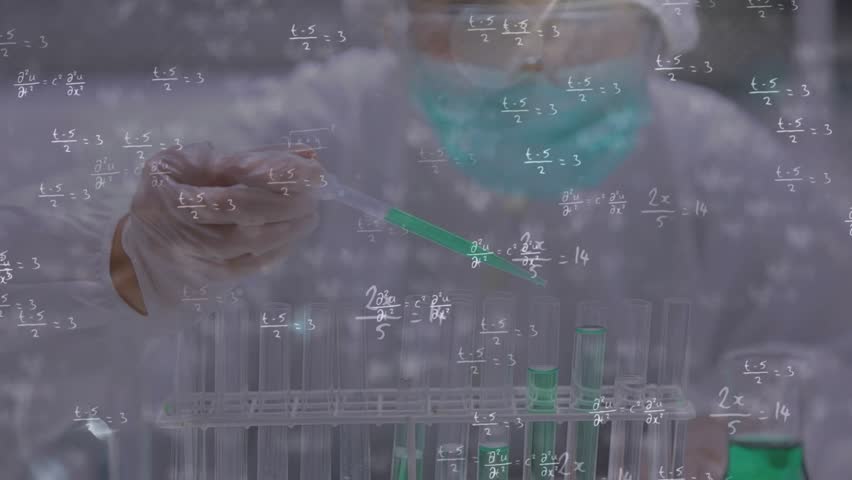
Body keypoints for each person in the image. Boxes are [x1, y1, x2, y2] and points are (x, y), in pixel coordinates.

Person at [1, 0, 849, 478]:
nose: (534, 60)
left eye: (581, 15)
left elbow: (830, 365)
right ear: (397, 21)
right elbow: (36, 359)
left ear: (658, 25)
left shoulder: (718, 167)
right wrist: (136, 261)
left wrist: (756, 436)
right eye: (482, 19)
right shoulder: (318, 131)